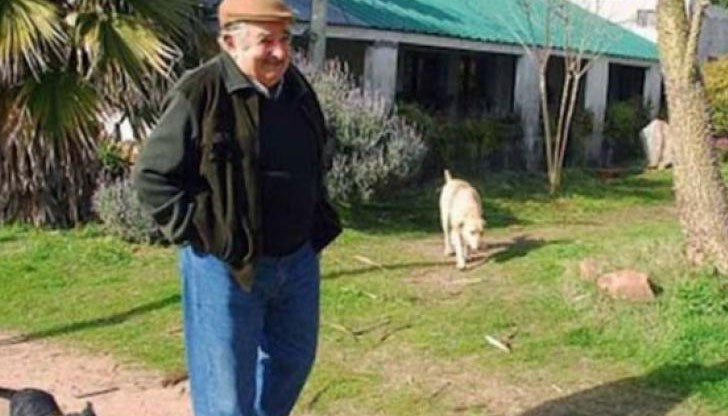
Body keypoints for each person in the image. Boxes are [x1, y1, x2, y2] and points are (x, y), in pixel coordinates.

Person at [133, 0, 341, 414]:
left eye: (285, 40)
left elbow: (320, 149)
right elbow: (152, 176)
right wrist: (205, 233)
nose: (280, 52)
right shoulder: (201, 91)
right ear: (229, 42)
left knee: (293, 362)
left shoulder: (297, 88)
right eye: (266, 41)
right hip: (226, 266)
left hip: (297, 260)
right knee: (225, 393)